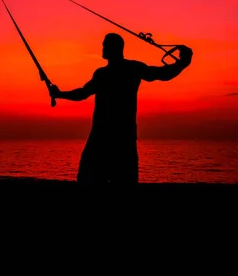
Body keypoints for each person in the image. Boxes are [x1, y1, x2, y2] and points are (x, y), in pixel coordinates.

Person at [49, 33, 193, 186]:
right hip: (115, 137)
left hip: (110, 138)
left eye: (105, 45)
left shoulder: (118, 71)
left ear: (115, 48)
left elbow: (161, 74)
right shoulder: (114, 71)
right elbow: (162, 74)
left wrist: (183, 63)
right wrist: (183, 63)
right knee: (106, 182)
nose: (103, 48)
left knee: (99, 182)